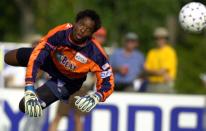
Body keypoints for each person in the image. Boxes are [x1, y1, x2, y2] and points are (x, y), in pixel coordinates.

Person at [4, 9, 114, 117]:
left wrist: (97, 96)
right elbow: (37, 56)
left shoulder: (97, 53)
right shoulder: (61, 33)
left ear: (92, 34)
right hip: (50, 61)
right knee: (8, 57)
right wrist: (29, 87)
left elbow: (108, 82)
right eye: (81, 25)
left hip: (68, 80)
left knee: (24, 106)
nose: (82, 30)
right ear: (75, 22)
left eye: (88, 29)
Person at [49, 27, 108, 131]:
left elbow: (99, 75)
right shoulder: (83, 46)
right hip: (67, 85)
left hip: (83, 88)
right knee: (59, 115)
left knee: (78, 117)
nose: (100, 38)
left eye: (102, 36)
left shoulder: (102, 55)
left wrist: (94, 89)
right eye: (98, 36)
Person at [144, 27, 177, 93]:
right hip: (151, 85)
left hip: (164, 85)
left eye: (162, 38)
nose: (159, 40)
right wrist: (158, 72)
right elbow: (146, 70)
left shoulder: (170, 51)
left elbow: (162, 71)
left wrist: (152, 72)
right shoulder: (151, 52)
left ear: (166, 39)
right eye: (157, 38)